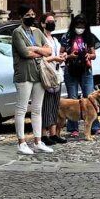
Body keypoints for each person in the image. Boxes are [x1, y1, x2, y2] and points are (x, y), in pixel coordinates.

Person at [11, 4, 54, 156]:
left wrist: (35, 49)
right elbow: (24, 53)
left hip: (38, 73)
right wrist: (39, 51)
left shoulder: (36, 32)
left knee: (37, 108)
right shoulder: (17, 32)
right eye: (28, 15)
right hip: (24, 74)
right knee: (22, 108)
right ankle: (21, 142)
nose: (31, 17)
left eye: (33, 14)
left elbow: (49, 50)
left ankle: (38, 141)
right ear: (21, 17)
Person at [62, 15, 100, 139]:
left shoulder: (89, 37)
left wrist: (89, 56)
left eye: (82, 27)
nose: (80, 29)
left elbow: (94, 54)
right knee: (72, 99)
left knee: (90, 97)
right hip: (71, 70)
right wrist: (69, 56)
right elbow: (61, 53)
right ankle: (73, 128)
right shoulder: (67, 37)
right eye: (78, 26)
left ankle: (94, 126)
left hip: (85, 70)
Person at [40, 11, 67, 145]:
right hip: (47, 74)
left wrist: (62, 58)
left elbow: (57, 57)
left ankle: (53, 133)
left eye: (53, 21)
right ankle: (44, 134)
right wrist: (54, 58)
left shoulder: (55, 40)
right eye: (49, 21)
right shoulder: (42, 40)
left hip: (57, 74)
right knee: (46, 104)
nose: (52, 23)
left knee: (55, 105)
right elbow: (42, 59)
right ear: (43, 24)